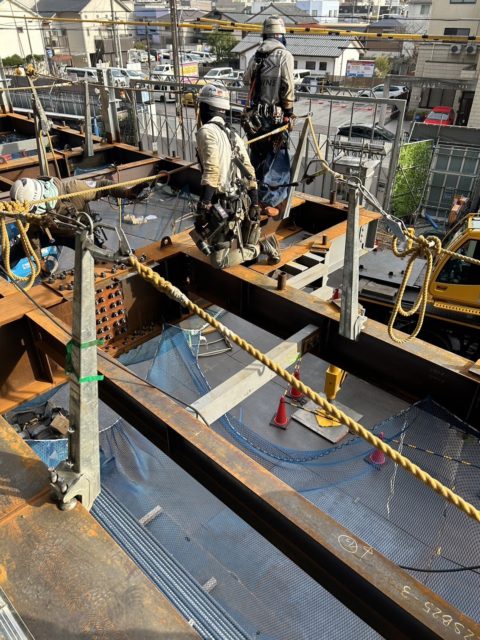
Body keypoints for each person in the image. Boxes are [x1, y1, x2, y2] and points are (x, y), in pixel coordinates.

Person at [192, 83, 280, 268]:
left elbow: (212, 171)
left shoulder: (206, 132)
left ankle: (262, 247)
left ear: (205, 108)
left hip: (223, 205)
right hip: (241, 202)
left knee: (219, 261)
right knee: (243, 241)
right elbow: (249, 171)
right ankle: (258, 247)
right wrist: (254, 203)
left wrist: (204, 206)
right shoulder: (233, 135)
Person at [8, 176, 149, 269]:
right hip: (49, 233)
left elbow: (103, 185)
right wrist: (39, 262)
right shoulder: (29, 210)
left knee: (104, 261)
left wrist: (127, 193)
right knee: (9, 256)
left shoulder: (74, 190)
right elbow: (31, 235)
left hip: (79, 232)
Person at [242, 15, 295, 210]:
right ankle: (270, 200)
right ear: (281, 35)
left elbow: (246, 79)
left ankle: (253, 196)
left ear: (265, 35)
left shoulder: (257, 55)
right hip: (274, 118)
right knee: (277, 158)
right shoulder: (284, 56)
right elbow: (287, 86)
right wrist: (288, 112)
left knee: (257, 155)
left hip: (255, 118)